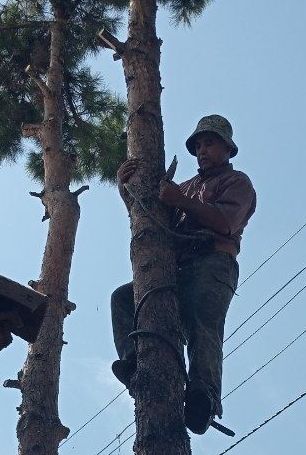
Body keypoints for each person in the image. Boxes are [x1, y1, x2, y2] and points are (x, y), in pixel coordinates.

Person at [110, 114, 257, 434]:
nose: (203, 150)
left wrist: (180, 200)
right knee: (124, 297)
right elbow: (154, 224)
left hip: (213, 261)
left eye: (210, 143)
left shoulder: (237, 182)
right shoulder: (186, 187)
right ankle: (135, 364)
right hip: (178, 267)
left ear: (227, 150)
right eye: (199, 145)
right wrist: (127, 192)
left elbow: (224, 222)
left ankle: (204, 396)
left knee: (203, 320)